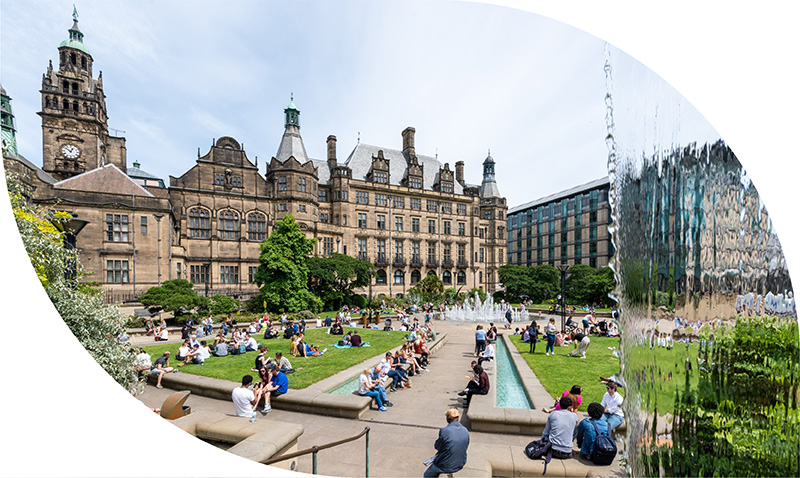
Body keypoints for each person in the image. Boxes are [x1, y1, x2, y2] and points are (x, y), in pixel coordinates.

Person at [424, 409, 469, 477]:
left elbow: (437, 446)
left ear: (448, 418)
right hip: (461, 462)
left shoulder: (445, 431)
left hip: (445, 465)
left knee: (427, 475)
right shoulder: (465, 430)